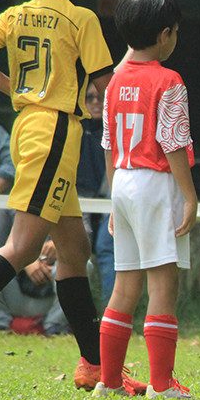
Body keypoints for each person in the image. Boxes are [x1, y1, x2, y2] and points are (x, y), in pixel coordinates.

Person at [0, 0, 144, 394]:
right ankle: (98, 365)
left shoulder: (12, 17)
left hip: (28, 127)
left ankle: (95, 366)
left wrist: (18, 90)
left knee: (74, 251)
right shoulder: (80, 19)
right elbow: (107, 85)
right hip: (56, 133)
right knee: (20, 248)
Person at [95, 0, 197, 399]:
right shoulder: (169, 80)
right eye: (175, 32)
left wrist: (113, 198)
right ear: (164, 34)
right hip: (155, 183)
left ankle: (109, 381)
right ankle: (161, 384)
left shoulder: (114, 82)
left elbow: (108, 143)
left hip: (122, 180)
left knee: (125, 285)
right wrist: (189, 196)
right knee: (163, 285)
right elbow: (172, 143)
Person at [0, 208, 68, 335]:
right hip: (13, 296)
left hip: (54, 297)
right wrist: (26, 259)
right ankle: (1, 325)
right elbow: (2, 249)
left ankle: (55, 327)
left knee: (83, 264)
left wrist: (60, 244)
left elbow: (85, 242)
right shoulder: (7, 207)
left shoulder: (70, 202)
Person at [77, 84, 115, 308]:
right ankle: (80, 312)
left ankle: (111, 312)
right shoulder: (75, 128)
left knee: (106, 248)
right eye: (89, 98)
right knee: (77, 250)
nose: (95, 102)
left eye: (101, 97)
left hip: (111, 194)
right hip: (79, 196)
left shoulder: (116, 128)